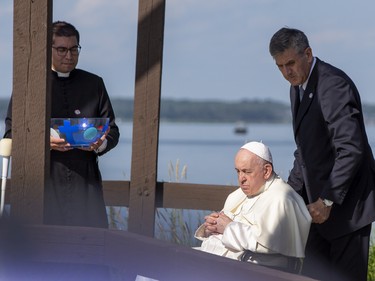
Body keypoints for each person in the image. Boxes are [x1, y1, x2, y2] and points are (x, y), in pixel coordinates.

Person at [269, 27, 375, 281]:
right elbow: (305, 151)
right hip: (317, 211)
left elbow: (351, 148)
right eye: (280, 66)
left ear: (308, 53)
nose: (286, 72)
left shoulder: (333, 84)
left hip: (348, 209)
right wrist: (287, 195)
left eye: (291, 63)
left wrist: (327, 200)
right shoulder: (297, 87)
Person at [3, 21, 120, 228]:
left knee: (90, 248)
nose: (69, 55)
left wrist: (99, 143)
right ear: (48, 50)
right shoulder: (28, 86)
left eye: (74, 49)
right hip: (43, 184)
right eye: (62, 50)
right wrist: (43, 142)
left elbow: (113, 132)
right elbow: (11, 135)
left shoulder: (94, 84)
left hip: (86, 184)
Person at [194, 141, 311, 274]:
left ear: (266, 171)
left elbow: (267, 242)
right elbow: (225, 225)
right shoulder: (238, 194)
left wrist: (227, 228)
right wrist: (213, 226)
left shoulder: (281, 197)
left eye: (246, 172)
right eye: (238, 171)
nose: (241, 179)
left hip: (255, 271)